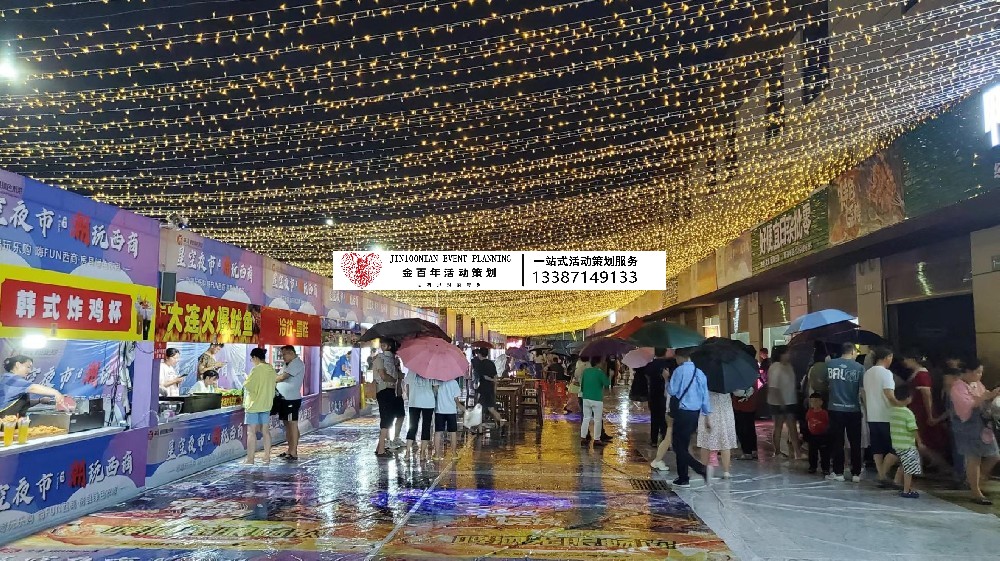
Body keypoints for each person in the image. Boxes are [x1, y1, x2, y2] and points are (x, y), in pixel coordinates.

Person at [949, 358, 1000, 505]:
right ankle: (976, 491)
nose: (980, 375)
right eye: (977, 372)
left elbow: (984, 398)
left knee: (994, 456)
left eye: (981, 372)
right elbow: (966, 406)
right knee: (974, 458)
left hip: (982, 425)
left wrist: (991, 396)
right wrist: (985, 397)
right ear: (968, 372)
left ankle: (975, 482)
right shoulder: (958, 387)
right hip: (967, 426)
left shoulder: (977, 384)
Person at [899, 350, 951, 472]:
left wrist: (929, 414)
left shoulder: (922, 374)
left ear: (912, 359)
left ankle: (942, 466)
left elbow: (926, 395)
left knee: (925, 441)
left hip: (922, 411)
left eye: (906, 359)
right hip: (917, 410)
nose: (904, 362)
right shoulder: (917, 373)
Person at [667, 348, 710, 487]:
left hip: (682, 412)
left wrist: (667, 378)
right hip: (695, 413)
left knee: (677, 446)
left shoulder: (679, 371)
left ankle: (698, 467)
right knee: (683, 445)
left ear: (680, 357)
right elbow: (705, 396)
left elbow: (672, 390)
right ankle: (683, 477)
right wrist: (706, 414)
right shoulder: (699, 372)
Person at [862, 346, 904, 486]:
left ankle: (881, 474)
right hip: (886, 415)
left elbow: (865, 394)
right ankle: (882, 475)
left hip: (872, 415)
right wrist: (901, 405)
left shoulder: (867, 373)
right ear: (887, 357)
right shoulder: (886, 373)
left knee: (877, 447)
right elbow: (889, 395)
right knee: (896, 447)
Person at [826, 342, 865, 482]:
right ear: (853, 351)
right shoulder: (859, 367)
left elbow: (825, 383)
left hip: (835, 408)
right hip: (853, 409)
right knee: (855, 442)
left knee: (837, 441)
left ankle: (838, 473)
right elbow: (862, 391)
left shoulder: (830, 365)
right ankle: (856, 473)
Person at [767, 345, 803, 459]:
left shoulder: (788, 366)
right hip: (779, 402)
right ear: (781, 355)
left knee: (792, 427)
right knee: (779, 426)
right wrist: (781, 402)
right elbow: (774, 387)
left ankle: (797, 452)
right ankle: (777, 451)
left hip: (790, 400)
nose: (789, 355)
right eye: (787, 353)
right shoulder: (775, 367)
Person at [886, 384, 922, 498]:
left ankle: (898, 482)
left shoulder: (892, 411)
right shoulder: (908, 413)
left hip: (897, 444)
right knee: (909, 469)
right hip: (907, 445)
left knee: (903, 465)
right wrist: (919, 442)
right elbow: (913, 429)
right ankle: (907, 490)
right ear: (908, 398)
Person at [1, 355, 65, 417]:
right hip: (4, 421)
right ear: (18, 364)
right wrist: (56, 393)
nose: (30, 371)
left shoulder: (10, 379)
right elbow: (33, 388)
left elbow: (22, 404)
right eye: (28, 367)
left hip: (13, 421)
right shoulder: (11, 379)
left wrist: (40, 400)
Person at [243, 348, 277, 466]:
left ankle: (250, 459)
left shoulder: (256, 370)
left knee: (251, 432)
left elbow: (249, 385)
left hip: (254, 405)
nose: (252, 361)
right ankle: (267, 457)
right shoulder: (271, 369)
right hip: (266, 404)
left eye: (252, 359)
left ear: (255, 358)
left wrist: (246, 380)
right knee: (266, 431)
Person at [697, 385, 739, 480]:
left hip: (708, 410)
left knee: (706, 441)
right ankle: (726, 471)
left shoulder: (706, 379)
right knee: (725, 441)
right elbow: (737, 392)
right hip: (725, 411)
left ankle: (704, 470)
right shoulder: (727, 381)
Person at [374, 339, 406, 457]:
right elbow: (383, 375)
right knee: (386, 420)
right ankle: (381, 450)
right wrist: (394, 379)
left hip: (392, 391)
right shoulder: (379, 358)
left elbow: (398, 375)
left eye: (385, 344)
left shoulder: (394, 360)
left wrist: (398, 376)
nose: (382, 346)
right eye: (382, 344)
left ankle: (380, 448)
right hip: (384, 391)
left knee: (388, 419)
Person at [275, 345, 305, 462]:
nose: (283, 357)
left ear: (291, 353)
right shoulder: (287, 364)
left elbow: (282, 377)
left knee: (292, 425)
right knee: (287, 424)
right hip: (284, 399)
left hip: (291, 399)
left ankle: (294, 452)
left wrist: (269, 379)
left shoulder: (297, 363)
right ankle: (289, 449)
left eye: (284, 354)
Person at [404, 370, 436, 461]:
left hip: (414, 402)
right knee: (426, 427)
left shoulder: (412, 370)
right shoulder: (432, 370)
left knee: (412, 427)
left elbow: (407, 386)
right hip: (428, 402)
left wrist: (410, 398)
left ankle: (407, 453)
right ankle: (422, 454)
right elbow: (435, 388)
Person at [580, 357, 610, 447]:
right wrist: (609, 374)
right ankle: (597, 439)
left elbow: (582, 385)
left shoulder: (586, 372)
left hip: (586, 398)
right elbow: (607, 383)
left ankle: (583, 438)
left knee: (586, 418)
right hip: (597, 399)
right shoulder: (600, 372)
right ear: (598, 363)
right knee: (597, 420)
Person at [474, 348, 507, 429]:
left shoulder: (481, 364)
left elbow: (484, 377)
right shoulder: (491, 363)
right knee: (490, 408)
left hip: (484, 389)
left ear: (479, 354)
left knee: (480, 408)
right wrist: (495, 385)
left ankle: (479, 428)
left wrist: (492, 380)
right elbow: (495, 375)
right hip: (490, 388)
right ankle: (501, 422)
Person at [646, 348, 673, 446]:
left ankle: (653, 440)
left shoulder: (650, 365)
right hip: (665, 395)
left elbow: (647, 376)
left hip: (653, 394)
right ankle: (665, 440)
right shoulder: (669, 364)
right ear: (665, 353)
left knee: (654, 417)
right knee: (664, 418)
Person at [433, 378, 465, 460]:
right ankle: (454, 454)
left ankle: (436, 454)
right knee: (453, 432)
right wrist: (460, 406)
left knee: (438, 432)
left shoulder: (437, 381)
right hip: (451, 411)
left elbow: (434, 394)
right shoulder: (454, 382)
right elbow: (456, 399)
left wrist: (436, 389)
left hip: (439, 411)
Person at [805, 393, 831, 476]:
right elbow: (807, 421)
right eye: (812, 401)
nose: (814, 403)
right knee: (812, 453)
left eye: (816, 401)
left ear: (821, 402)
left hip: (823, 436)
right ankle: (812, 466)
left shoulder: (824, 413)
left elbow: (828, 423)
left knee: (824, 453)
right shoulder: (809, 412)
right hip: (812, 436)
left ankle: (825, 468)